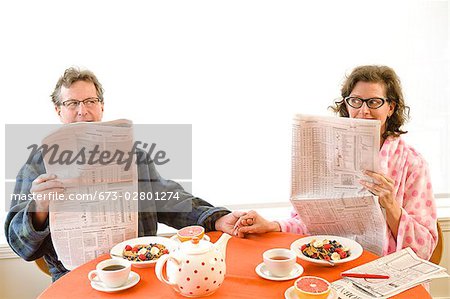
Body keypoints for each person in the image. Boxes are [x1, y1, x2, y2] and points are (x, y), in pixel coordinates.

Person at [4, 67, 245, 281]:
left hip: (140, 268)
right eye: (72, 103)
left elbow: (170, 199)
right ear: (58, 110)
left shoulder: (134, 155)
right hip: (76, 277)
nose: (83, 111)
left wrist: (216, 219)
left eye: (90, 101)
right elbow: (20, 246)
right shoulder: (36, 166)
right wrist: (38, 208)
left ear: (102, 107)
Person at [235, 65, 438, 260]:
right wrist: (272, 225)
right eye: (356, 101)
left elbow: (424, 248)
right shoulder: (327, 154)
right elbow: (309, 224)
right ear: (346, 104)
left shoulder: (413, 163)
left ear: (391, 108)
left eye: (374, 102)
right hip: (331, 260)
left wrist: (392, 206)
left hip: (387, 271)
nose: (364, 111)